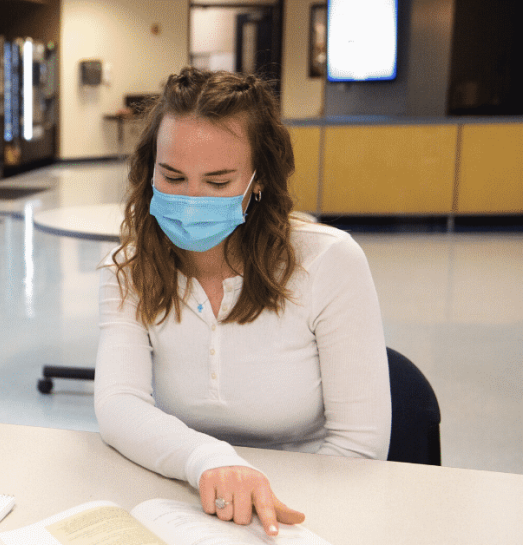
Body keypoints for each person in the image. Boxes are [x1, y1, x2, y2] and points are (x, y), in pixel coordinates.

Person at [94, 67, 390, 536]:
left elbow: (360, 447)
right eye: (171, 176)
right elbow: (118, 405)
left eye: (217, 182)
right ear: (148, 168)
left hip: (303, 512)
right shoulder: (129, 268)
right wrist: (210, 462)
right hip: (186, 496)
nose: (191, 199)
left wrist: (268, 517)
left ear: (258, 181)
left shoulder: (329, 262)